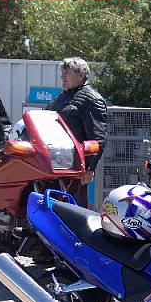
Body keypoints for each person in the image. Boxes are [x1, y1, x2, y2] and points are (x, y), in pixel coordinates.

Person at [47, 57, 107, 207]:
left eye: (67, 73)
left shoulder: (91, 99)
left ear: (81, 75)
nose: (62, 76)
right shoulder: (61, 98)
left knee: (73, 211)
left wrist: (89, 168)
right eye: (62, 73)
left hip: (74, 169)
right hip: (52, 166)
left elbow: (97, 138)